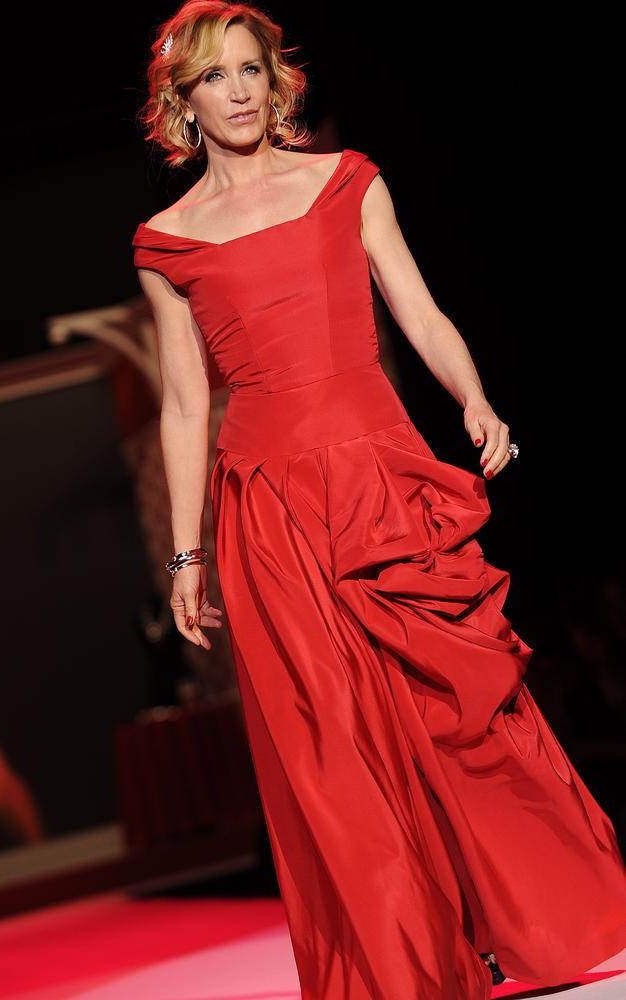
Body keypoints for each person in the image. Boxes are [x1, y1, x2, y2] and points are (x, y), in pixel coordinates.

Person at [131, 3, 626, 997]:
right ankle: (405, 959)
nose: (236, 90)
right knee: (333, 747)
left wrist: (473, 398)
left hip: (381, 484)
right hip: (268, 512)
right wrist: (186, 556)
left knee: (451, 712)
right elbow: (184, 405)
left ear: (275, 82)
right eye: (213, 77)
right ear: (179, 101)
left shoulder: (343, 180)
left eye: (248, 70)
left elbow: (418, 306)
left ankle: (507, 921)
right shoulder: (166, 241)